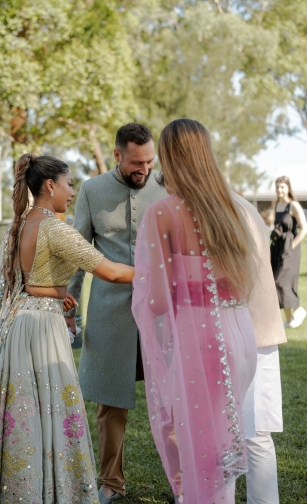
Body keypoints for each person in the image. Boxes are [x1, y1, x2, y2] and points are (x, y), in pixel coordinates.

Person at [0, 154, 135, 504]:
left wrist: (58, 293)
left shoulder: (22, 223)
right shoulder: (55, 228)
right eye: (69, 184)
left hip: (19, 324)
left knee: (19, 409)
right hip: (42, 331)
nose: (72, 192)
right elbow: (111, 272)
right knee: (46, 407)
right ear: (50, 185)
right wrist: (159, 272)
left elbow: (26, 284)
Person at [132, 119, 258, 504]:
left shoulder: (163, 213)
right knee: (223, 438)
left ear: (169, 157)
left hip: (199, 336)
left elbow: (157, 300)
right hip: (238, 332)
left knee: (200, 444)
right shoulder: (232, 209)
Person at [68, 123, 165, 503]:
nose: (145, 169)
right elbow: (78, 253)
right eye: (136, 162)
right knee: (110, 404)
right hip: (110, 314)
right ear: (117, 155)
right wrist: (69, 306)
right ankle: (111, 482)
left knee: (173, 399)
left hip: (162, 315)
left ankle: (184, 480)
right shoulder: (91, 190)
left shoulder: (168, 184)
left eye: (149, 161)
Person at [235, 195, 286, 504]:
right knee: (257, 433)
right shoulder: (243, 205)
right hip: (259, 328)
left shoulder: (216, 207)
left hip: (241, 330)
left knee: (246, 433)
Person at [270, 176, 307, 328]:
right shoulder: (277, 205)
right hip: (277, 248)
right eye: (277, 187)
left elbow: (304, 229)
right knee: (276, 281)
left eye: (282, 187)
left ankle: (299, 310)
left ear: (288, 188)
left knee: (281, 281)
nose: (279, 190)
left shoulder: (293, 205)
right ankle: (288, 320)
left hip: (290, 248)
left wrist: (291, 245)